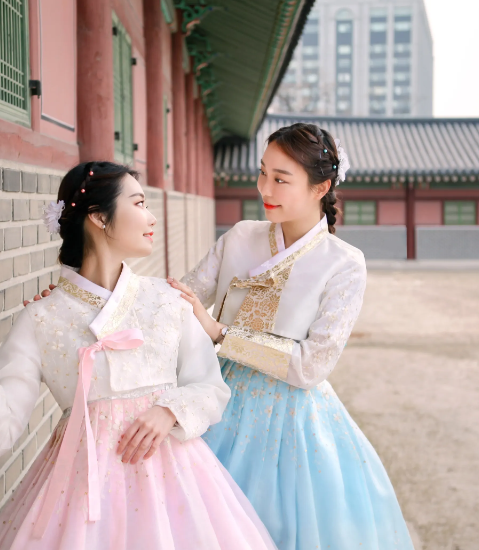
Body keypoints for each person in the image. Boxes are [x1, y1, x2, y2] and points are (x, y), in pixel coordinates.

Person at [0, 161, 276, 550]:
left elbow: (211, 388)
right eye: (139, 203)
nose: (150, 216)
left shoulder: (168, 299)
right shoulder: (42, 317)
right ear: (98, 217)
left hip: (176, 486)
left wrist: (169, 411)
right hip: (79, 494)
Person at [168, 123, 415, 550]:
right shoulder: (240, 236)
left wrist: (221, 333)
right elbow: (178, 303)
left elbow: (311, 366)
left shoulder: (343, 264)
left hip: (291, 420)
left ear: (322, 186)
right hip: (212, 397)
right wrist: (94, 299)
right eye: (262, 173)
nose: (266, 187)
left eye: (281, 179)